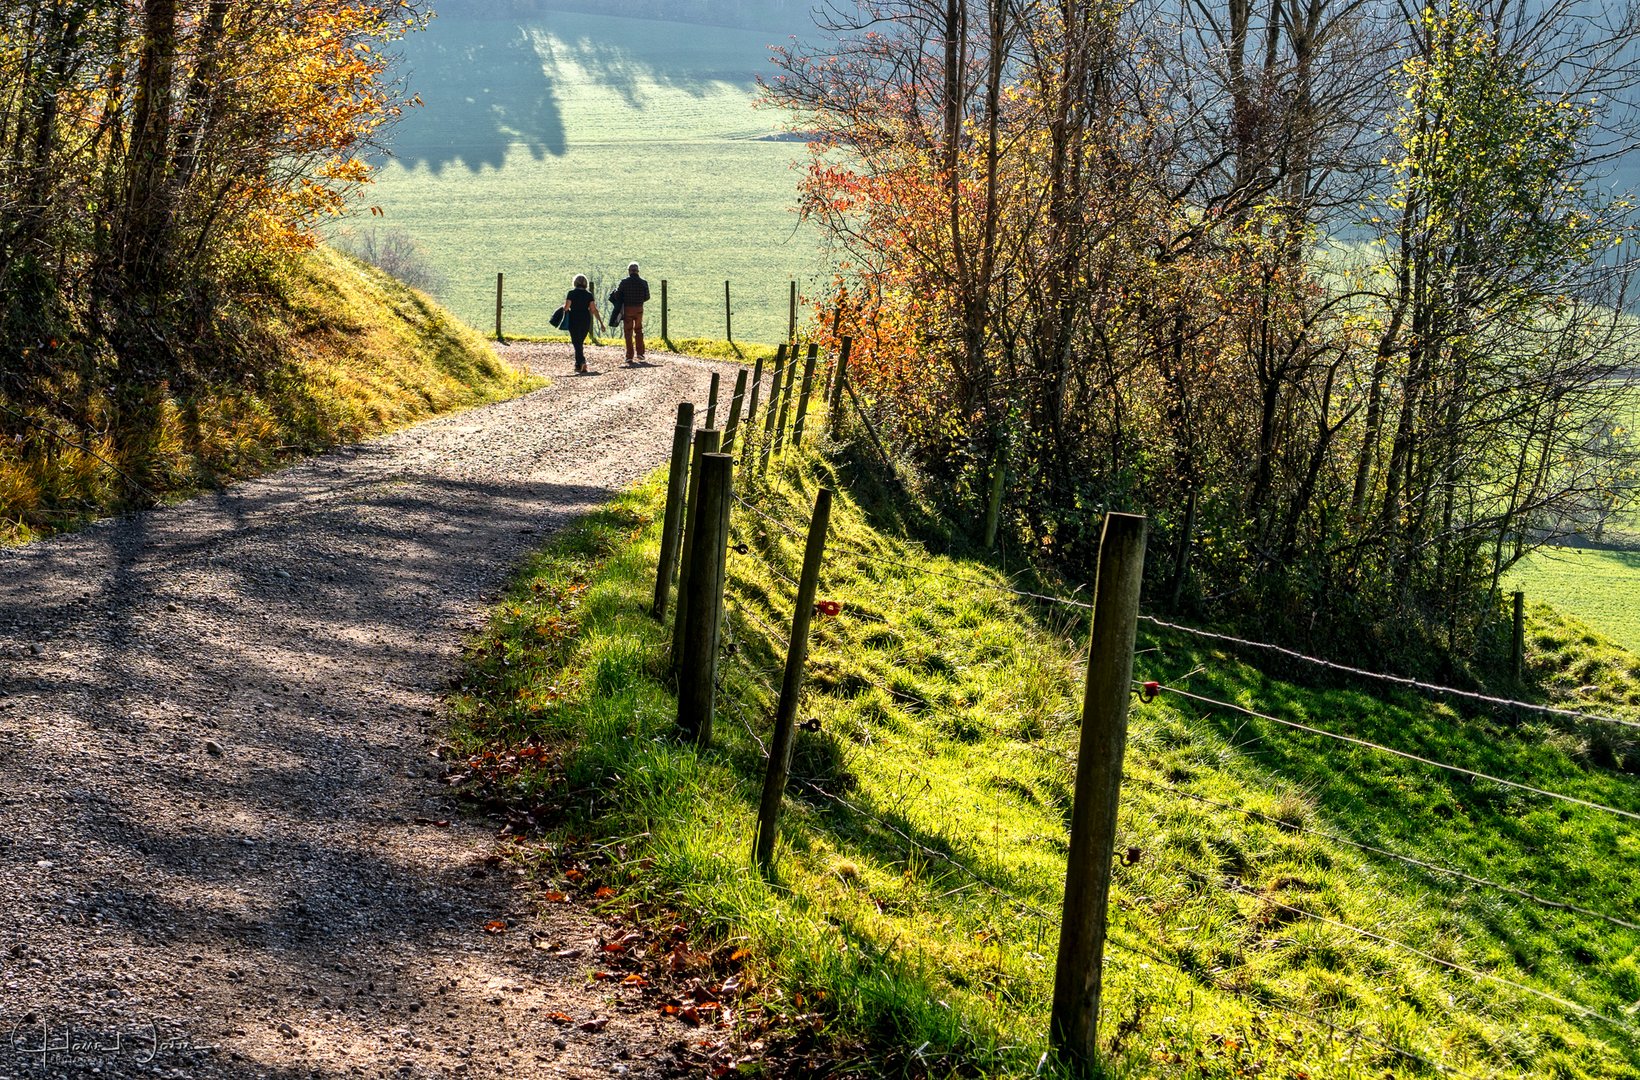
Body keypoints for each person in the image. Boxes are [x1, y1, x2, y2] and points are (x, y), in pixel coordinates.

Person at [561, 274, 603, 374]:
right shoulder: (589, 294)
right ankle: (578, 364)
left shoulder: (571, 293)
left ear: (575, 282)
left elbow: (566, 307)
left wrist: (561, 310)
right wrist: (601, 323)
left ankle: (582, 362)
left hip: (574, 319)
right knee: (579, 342)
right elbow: (593, 309)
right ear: (585, 283)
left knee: (576, 342)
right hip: (585, 319)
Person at [612, 261, 651, 363]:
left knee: (628, 331)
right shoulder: (643, 282)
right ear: (638, 271)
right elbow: (647, 297)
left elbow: (618, 296)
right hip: (639, 309)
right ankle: (640, 353)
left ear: (629, 271)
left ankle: (629, 356)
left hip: (628, 309)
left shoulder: (624, 282)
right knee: (638, 330)